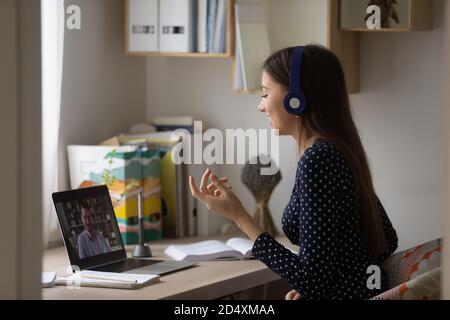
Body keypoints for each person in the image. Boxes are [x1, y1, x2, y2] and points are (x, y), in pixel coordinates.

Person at [189, 45, 398, 300]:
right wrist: (325, 286)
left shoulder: (318, 160)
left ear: (296, 98)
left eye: (265, 93)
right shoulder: (338, 150)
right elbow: (386, 240)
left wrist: (239, 215)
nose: (261, 106)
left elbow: (313, 279)